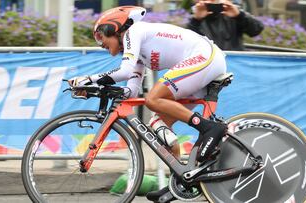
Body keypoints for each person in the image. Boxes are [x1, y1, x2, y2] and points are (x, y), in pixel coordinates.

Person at [69, 6, 228, 203]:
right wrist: (95, 88)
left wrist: (88, 79)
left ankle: (209, 127)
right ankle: (179, 182)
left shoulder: (133, 32)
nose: (100, 43)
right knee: (157, 124)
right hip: (202, 63)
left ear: (115, 28)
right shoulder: (137, 54)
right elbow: (131, 91)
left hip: (204, 56)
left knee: (154, 99)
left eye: (101, 36)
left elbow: (124, 71)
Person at [187, 0, 264, 51]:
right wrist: (196, 20)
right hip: (208, 64)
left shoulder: (233, 13)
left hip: (234, 62)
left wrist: (239, 15)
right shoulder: (195, 17)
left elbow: (256, 30)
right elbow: (189, 43)